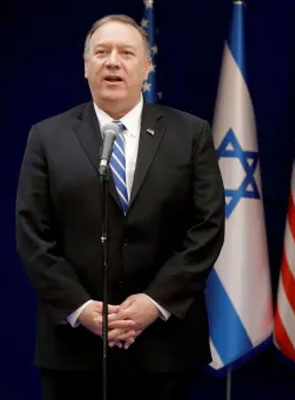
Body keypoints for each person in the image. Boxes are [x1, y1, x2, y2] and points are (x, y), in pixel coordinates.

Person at [15, 14, 225, 400]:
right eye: (102, 52)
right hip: (74, 347)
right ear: (85, 65)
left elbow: (207, 226)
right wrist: (81, 308)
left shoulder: (190, 134)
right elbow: (33, 235)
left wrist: (154, 302)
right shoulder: (47, 137)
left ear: (147, 67)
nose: (113, 62)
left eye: (126, 53)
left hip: (165, 347)